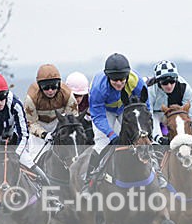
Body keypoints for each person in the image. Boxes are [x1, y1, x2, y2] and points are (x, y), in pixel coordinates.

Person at [0, 73, 55, 224]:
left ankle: (52, 201)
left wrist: (15, 154)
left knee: (34, 168)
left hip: (15, 144)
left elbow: (24, 132)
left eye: (1, 97)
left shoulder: (15, 104)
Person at [81, 53, 152, 194]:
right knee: (102, 144)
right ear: (108, 77)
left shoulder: (137, 82)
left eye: (122, 79)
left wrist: (147, 132)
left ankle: (157, 173)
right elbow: (98, 116)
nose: (119, 83)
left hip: (127, 109)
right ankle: (89, 182)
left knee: (141, 140)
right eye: (114, 80)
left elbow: (145, 109)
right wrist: (112, 134)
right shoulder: (98, 88)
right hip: (105, 112)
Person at [23, 64, 78, 159]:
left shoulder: (67, 94)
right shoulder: (31, 98)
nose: (50, 91)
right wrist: (44, 134)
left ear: (59, 84)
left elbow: (73, 119)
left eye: (54, 86)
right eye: (46, 87)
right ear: (40, 87)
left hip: (59, 123)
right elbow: (31, 123)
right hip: (39, 125)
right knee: (35, 158)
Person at [65, 71, 94, 144]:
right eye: (75, 95)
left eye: (80, 95)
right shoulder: (62, 102)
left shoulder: (91, 101)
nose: (77, 99)